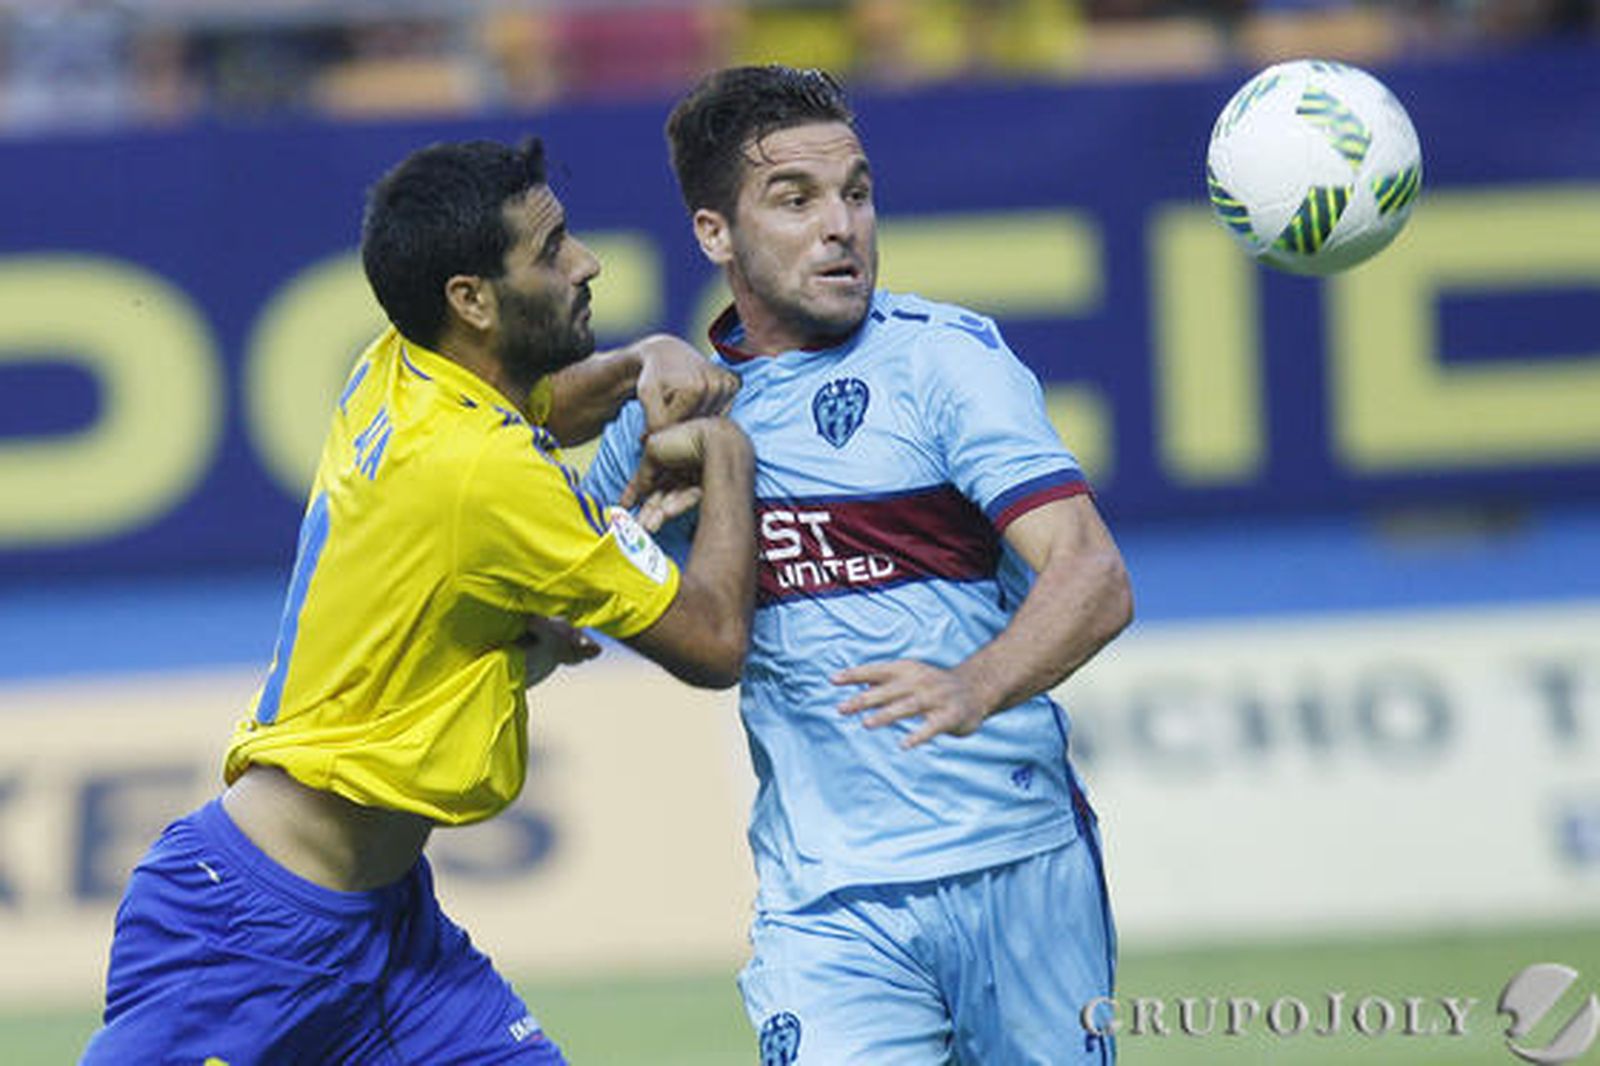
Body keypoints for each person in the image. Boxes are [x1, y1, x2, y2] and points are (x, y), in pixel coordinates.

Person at [82, 136, 755, 1064]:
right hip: (244, 935)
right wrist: (727, 456)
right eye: (552, 248)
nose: (586, 263)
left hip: (391, 936)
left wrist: (646, 357)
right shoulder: (484, 476)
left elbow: (548, 405)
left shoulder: (398, 367)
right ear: (470, 299)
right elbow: (716, 641)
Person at [584, 66, 1134, 1064]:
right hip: (827, 905)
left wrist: (974, 685)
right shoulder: (668, 418)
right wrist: (626, 443)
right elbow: (543, 617)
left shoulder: (945, 362)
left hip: (1017, 863)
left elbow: (1092, 576)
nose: (841, 225)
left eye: (856, 193)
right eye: (795, 200)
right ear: (715, 234)